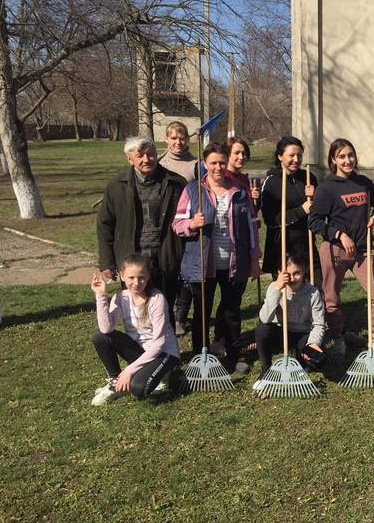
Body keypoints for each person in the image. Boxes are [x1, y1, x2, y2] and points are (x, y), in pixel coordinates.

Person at [173, 142, 261, 374]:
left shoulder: (239, 191)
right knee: (203, 311)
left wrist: (254, 259)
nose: (218, 167)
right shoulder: (193, 190)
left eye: (222, 162)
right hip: (203, 263)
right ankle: (200, 356)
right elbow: (177, 224)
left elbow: (252, 226)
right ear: (204, 164)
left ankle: (234, 353)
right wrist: (192, 224)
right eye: (213, 163)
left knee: (232, 311)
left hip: (233, 261)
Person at [308, 138, 374, 362]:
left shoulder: (363, 182)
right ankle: (338, 338)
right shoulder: (326, 188)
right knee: (331, 299)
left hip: (363, 251)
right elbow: (314, 221)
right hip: (334, 251)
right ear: (333, 160)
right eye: (342, 156)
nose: (347, 160)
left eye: (350, 155)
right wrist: (339, 235)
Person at [97, 137, 186, 324]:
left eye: (151, 154)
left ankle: (165, 348)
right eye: (140, 155)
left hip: (165, 256)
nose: (147, 159)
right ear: (130, 159)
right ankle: (139, 348)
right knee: (135, 308)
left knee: (164, 307)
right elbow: (105, 225)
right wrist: (107, 263)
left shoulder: (175, 183)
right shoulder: (116, 187)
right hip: (131, 258)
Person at [89, 253, 180, 406]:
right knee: (100, 337)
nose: (137, 282)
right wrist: (100, 295)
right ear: (122, 276)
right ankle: (115, 382)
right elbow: (106, 329)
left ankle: (165, 376)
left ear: (148, 276)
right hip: (141, 351)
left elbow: (159, 344)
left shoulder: (157, 299)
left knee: (138, 389)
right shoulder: (120, 297)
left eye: (141, 277)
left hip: (164, 352)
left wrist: (129, 371)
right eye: (131, 278)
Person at [255, 250, 326, 377]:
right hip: (280, 333)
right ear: (279, 273)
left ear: (303, 271)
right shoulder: (274, 288)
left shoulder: (313, 293)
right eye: (288, 274)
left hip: (301, 335)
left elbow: (319, 324)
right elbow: (265, 318)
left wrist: (313, 344)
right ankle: (266, 369)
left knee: (317, 359)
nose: (292, 278)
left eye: (297, 273)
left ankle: (299, 357)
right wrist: (277, 290)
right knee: (262, 330)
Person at [261, 136, 320, 285]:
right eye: (291, 155)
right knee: (287, 293)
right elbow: (271, 220)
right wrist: (301, 210)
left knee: (316, 285)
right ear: (280, 156)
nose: (296, 159)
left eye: (299, 155)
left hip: (306, 243)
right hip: (283, 246)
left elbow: (319, 211)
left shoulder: (308, 177)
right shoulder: (272, 182)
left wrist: (316, 197)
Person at [158, 121, 198, 337]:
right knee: (169, 272)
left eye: (181, 138)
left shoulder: (195, 164)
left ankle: (181, 315)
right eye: (173, 138)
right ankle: (166, 315)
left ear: (187, 139)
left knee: (187, 274)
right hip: (165, 228)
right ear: (166, 139)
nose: (177, 142)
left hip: (188, 226)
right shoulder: (160, 162)